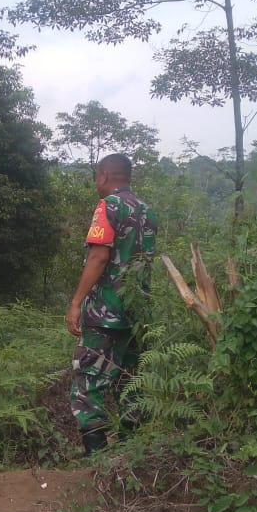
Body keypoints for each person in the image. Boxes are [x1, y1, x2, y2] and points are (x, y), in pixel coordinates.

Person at [66, 153, 157, 454]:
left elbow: (99, 255)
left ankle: (98, 459)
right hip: (137, 314)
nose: (96, 183)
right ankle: (132, 456)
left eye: (96, 177)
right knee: (130, 381)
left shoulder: (109, 206)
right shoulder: (147, 210)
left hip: (105, 312)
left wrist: (76, 302)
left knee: (87, 383)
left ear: (104, 175)